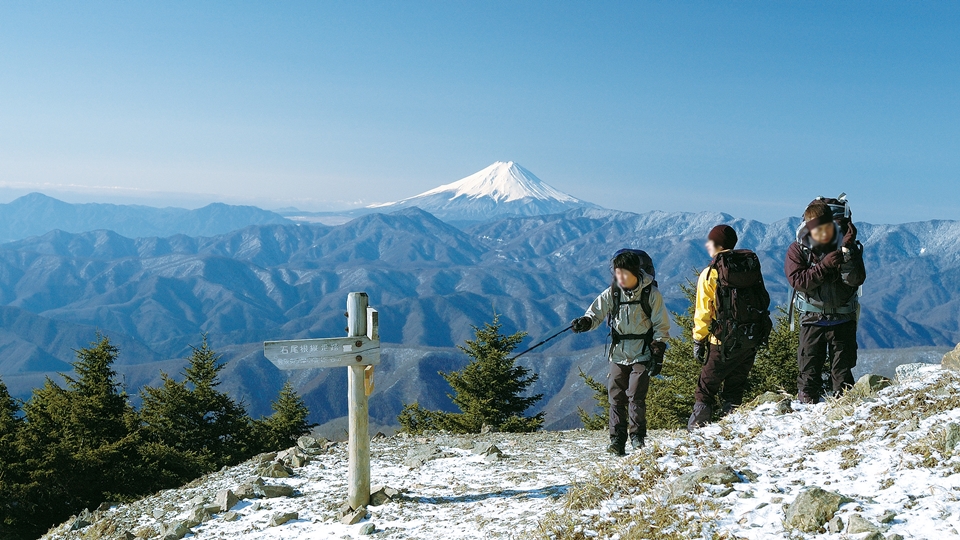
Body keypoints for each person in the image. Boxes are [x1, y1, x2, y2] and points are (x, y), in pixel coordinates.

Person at [571, 250, 670, 456]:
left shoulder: (650, 293)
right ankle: (617, 441)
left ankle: (637, 438)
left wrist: (657, 351)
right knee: (615, 397)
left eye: (624, 273)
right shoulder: (613, 292)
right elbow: (595, 314)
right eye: (617, 273)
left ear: (635, 272)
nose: (620, 277)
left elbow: (661, 325)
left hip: (642, 353)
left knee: (636, 396)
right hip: (618, 354)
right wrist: (584, 323)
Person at [688, 225, 771, 429]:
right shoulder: (748, 267)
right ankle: (731, 429)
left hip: (722, 341)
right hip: (749, 338)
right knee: (735, 386)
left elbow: (703, 312)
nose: (707, 244)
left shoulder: (711, 273)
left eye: (710, 241)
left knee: (705, 388)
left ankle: (696, 431)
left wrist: (699, 339)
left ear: (718, 245)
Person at [785, 199, 866, 403]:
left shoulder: (847, 246)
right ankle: (806, 410)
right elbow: (798, 281)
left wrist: (847, 253)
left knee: (842, 374)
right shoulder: (799, 249)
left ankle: (843, 411)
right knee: (808, 372)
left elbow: (856, 279)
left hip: (841, 318)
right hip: (815, 318)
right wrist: (825, 266)